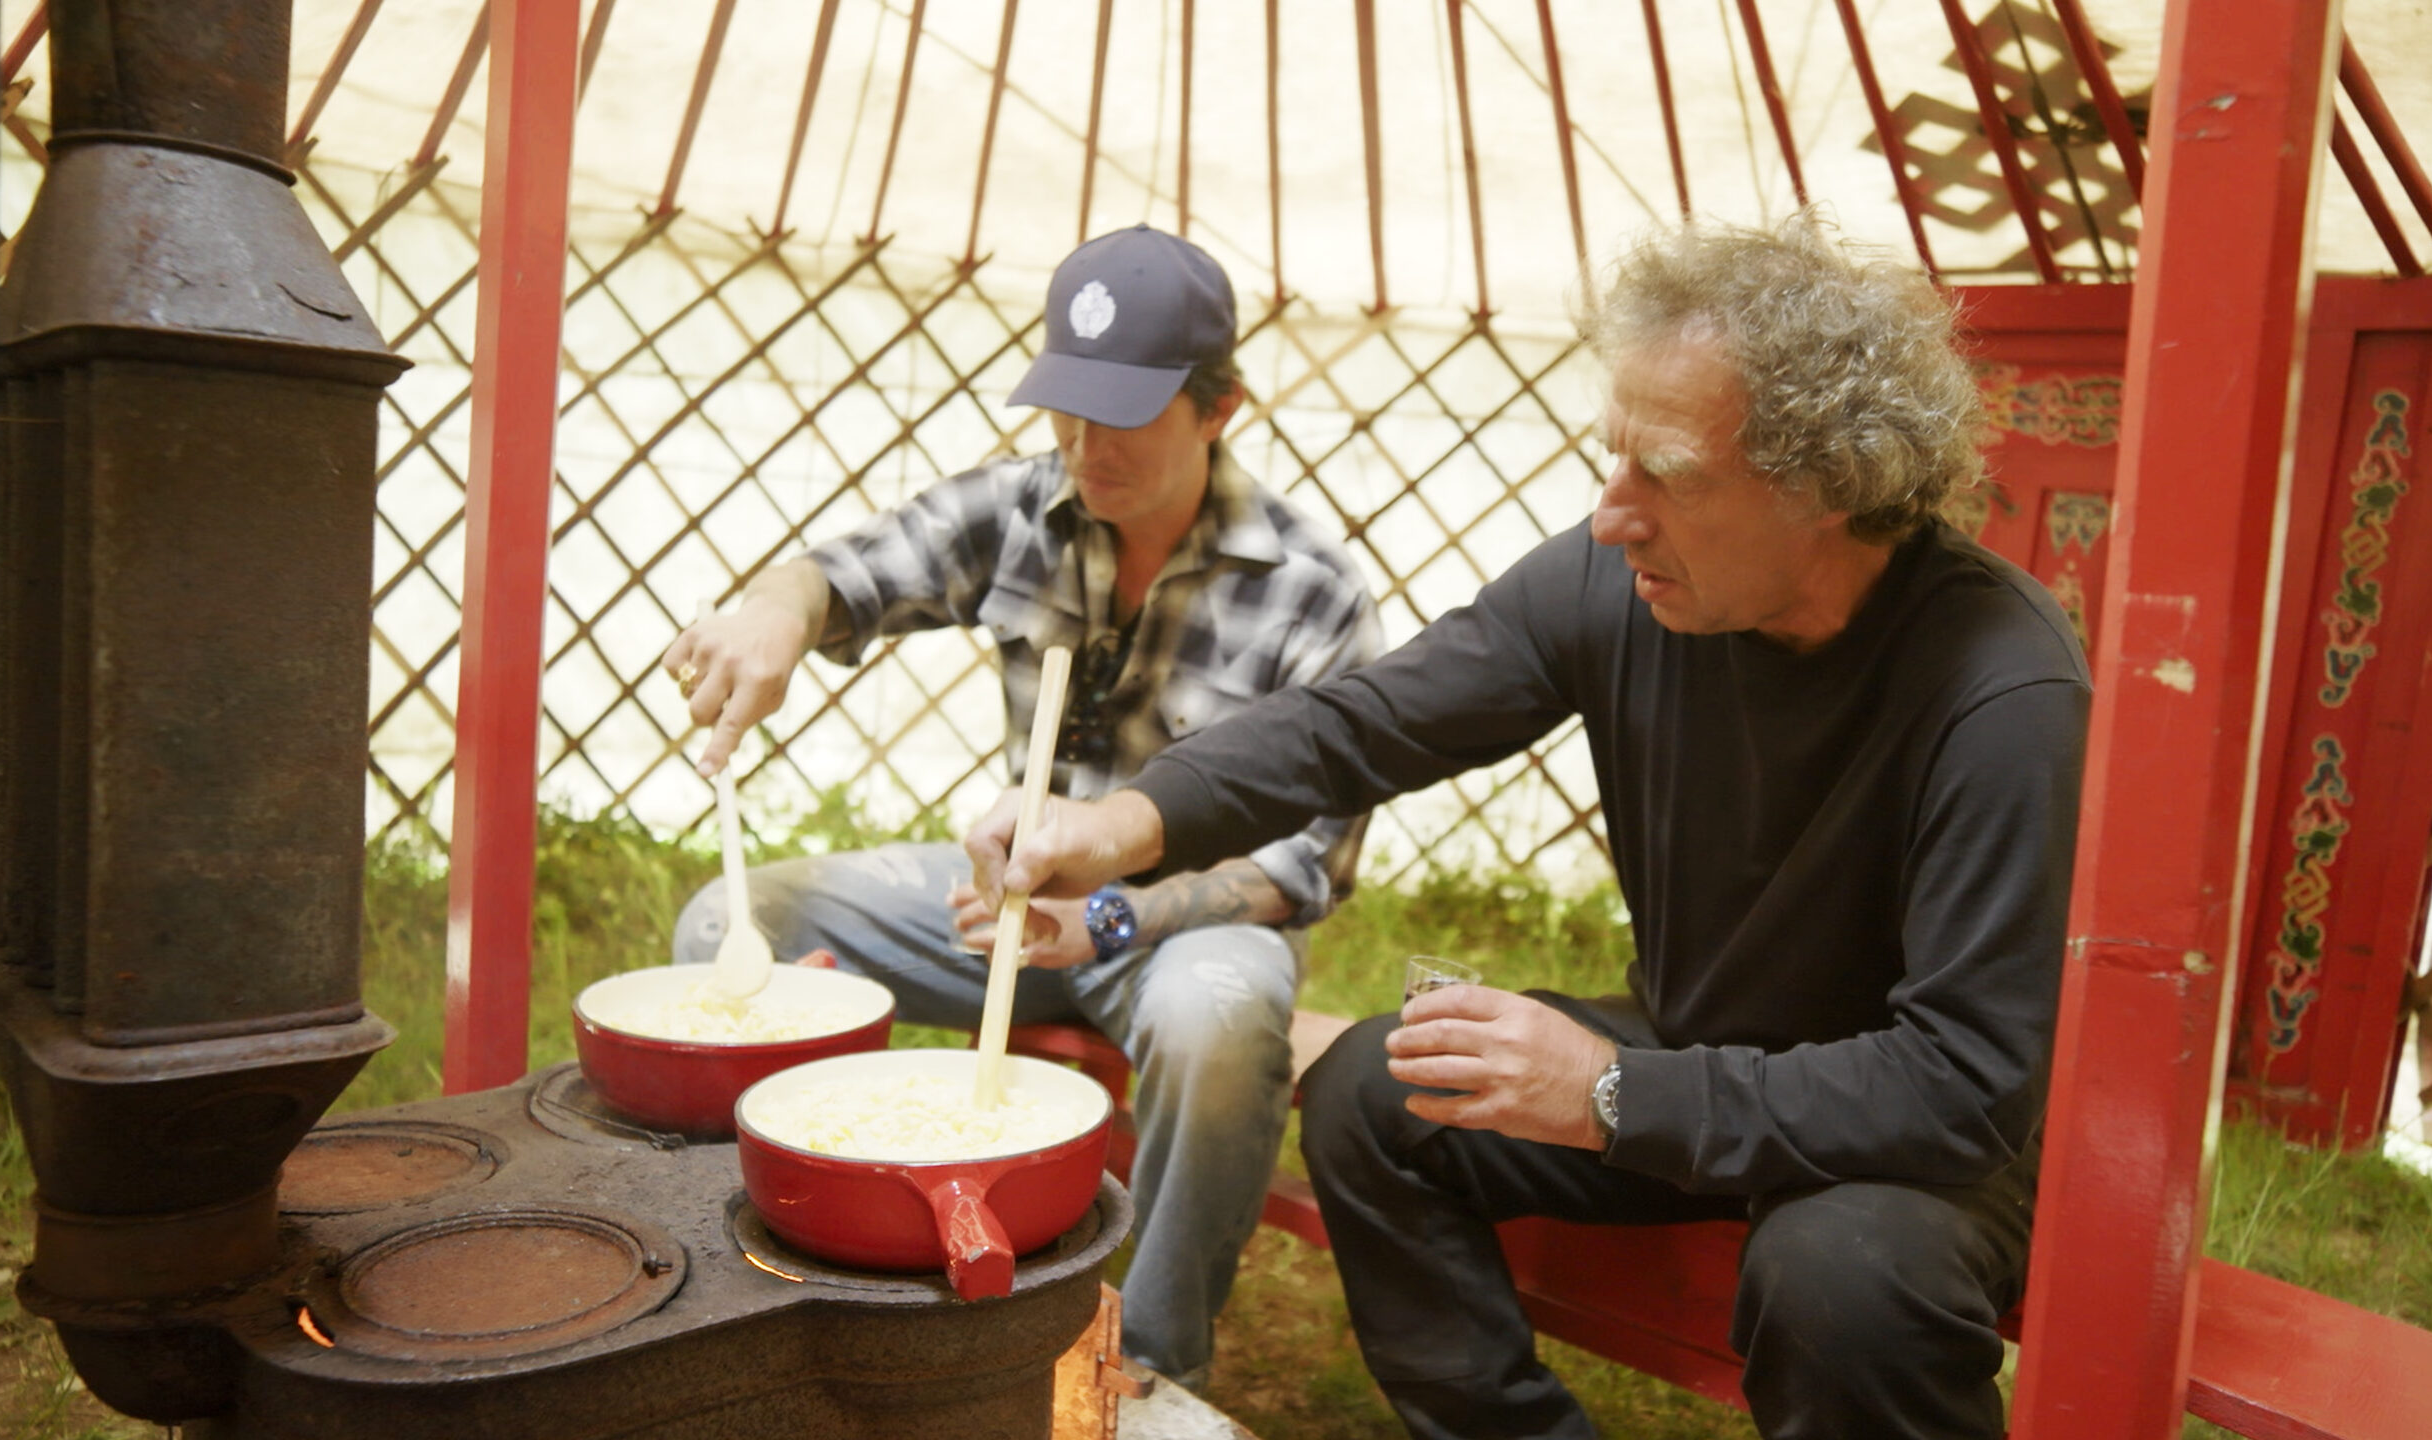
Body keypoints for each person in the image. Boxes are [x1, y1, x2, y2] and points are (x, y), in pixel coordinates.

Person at [964, 213, 2091, 1440]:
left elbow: (1962, 1083)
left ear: (1827, 481)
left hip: (1909, 1137)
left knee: (1840, 1278)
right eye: (1613, 460)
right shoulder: (1626, 583)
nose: (1612, 517)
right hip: (1697, 1046)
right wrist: (1121, 823)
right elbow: (1365, 723)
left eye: (1668, 473)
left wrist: (1608, 1091)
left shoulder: (2001, 691)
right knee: (1375, 1095)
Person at [663, 224, 1382, 1392]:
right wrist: (776, 614)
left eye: (1125, 414)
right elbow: (845, 573)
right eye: (1067, 407)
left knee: (1219, 1016)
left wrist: (1110, 917)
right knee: (728, 925)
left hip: (1179, 930)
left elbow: (1307, 866)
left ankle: (1144, 1368)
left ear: (1220, 408)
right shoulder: (1020, 506)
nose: (1085, 446)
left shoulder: (1311, 593)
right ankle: (781, 1261)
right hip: (1004, 905)